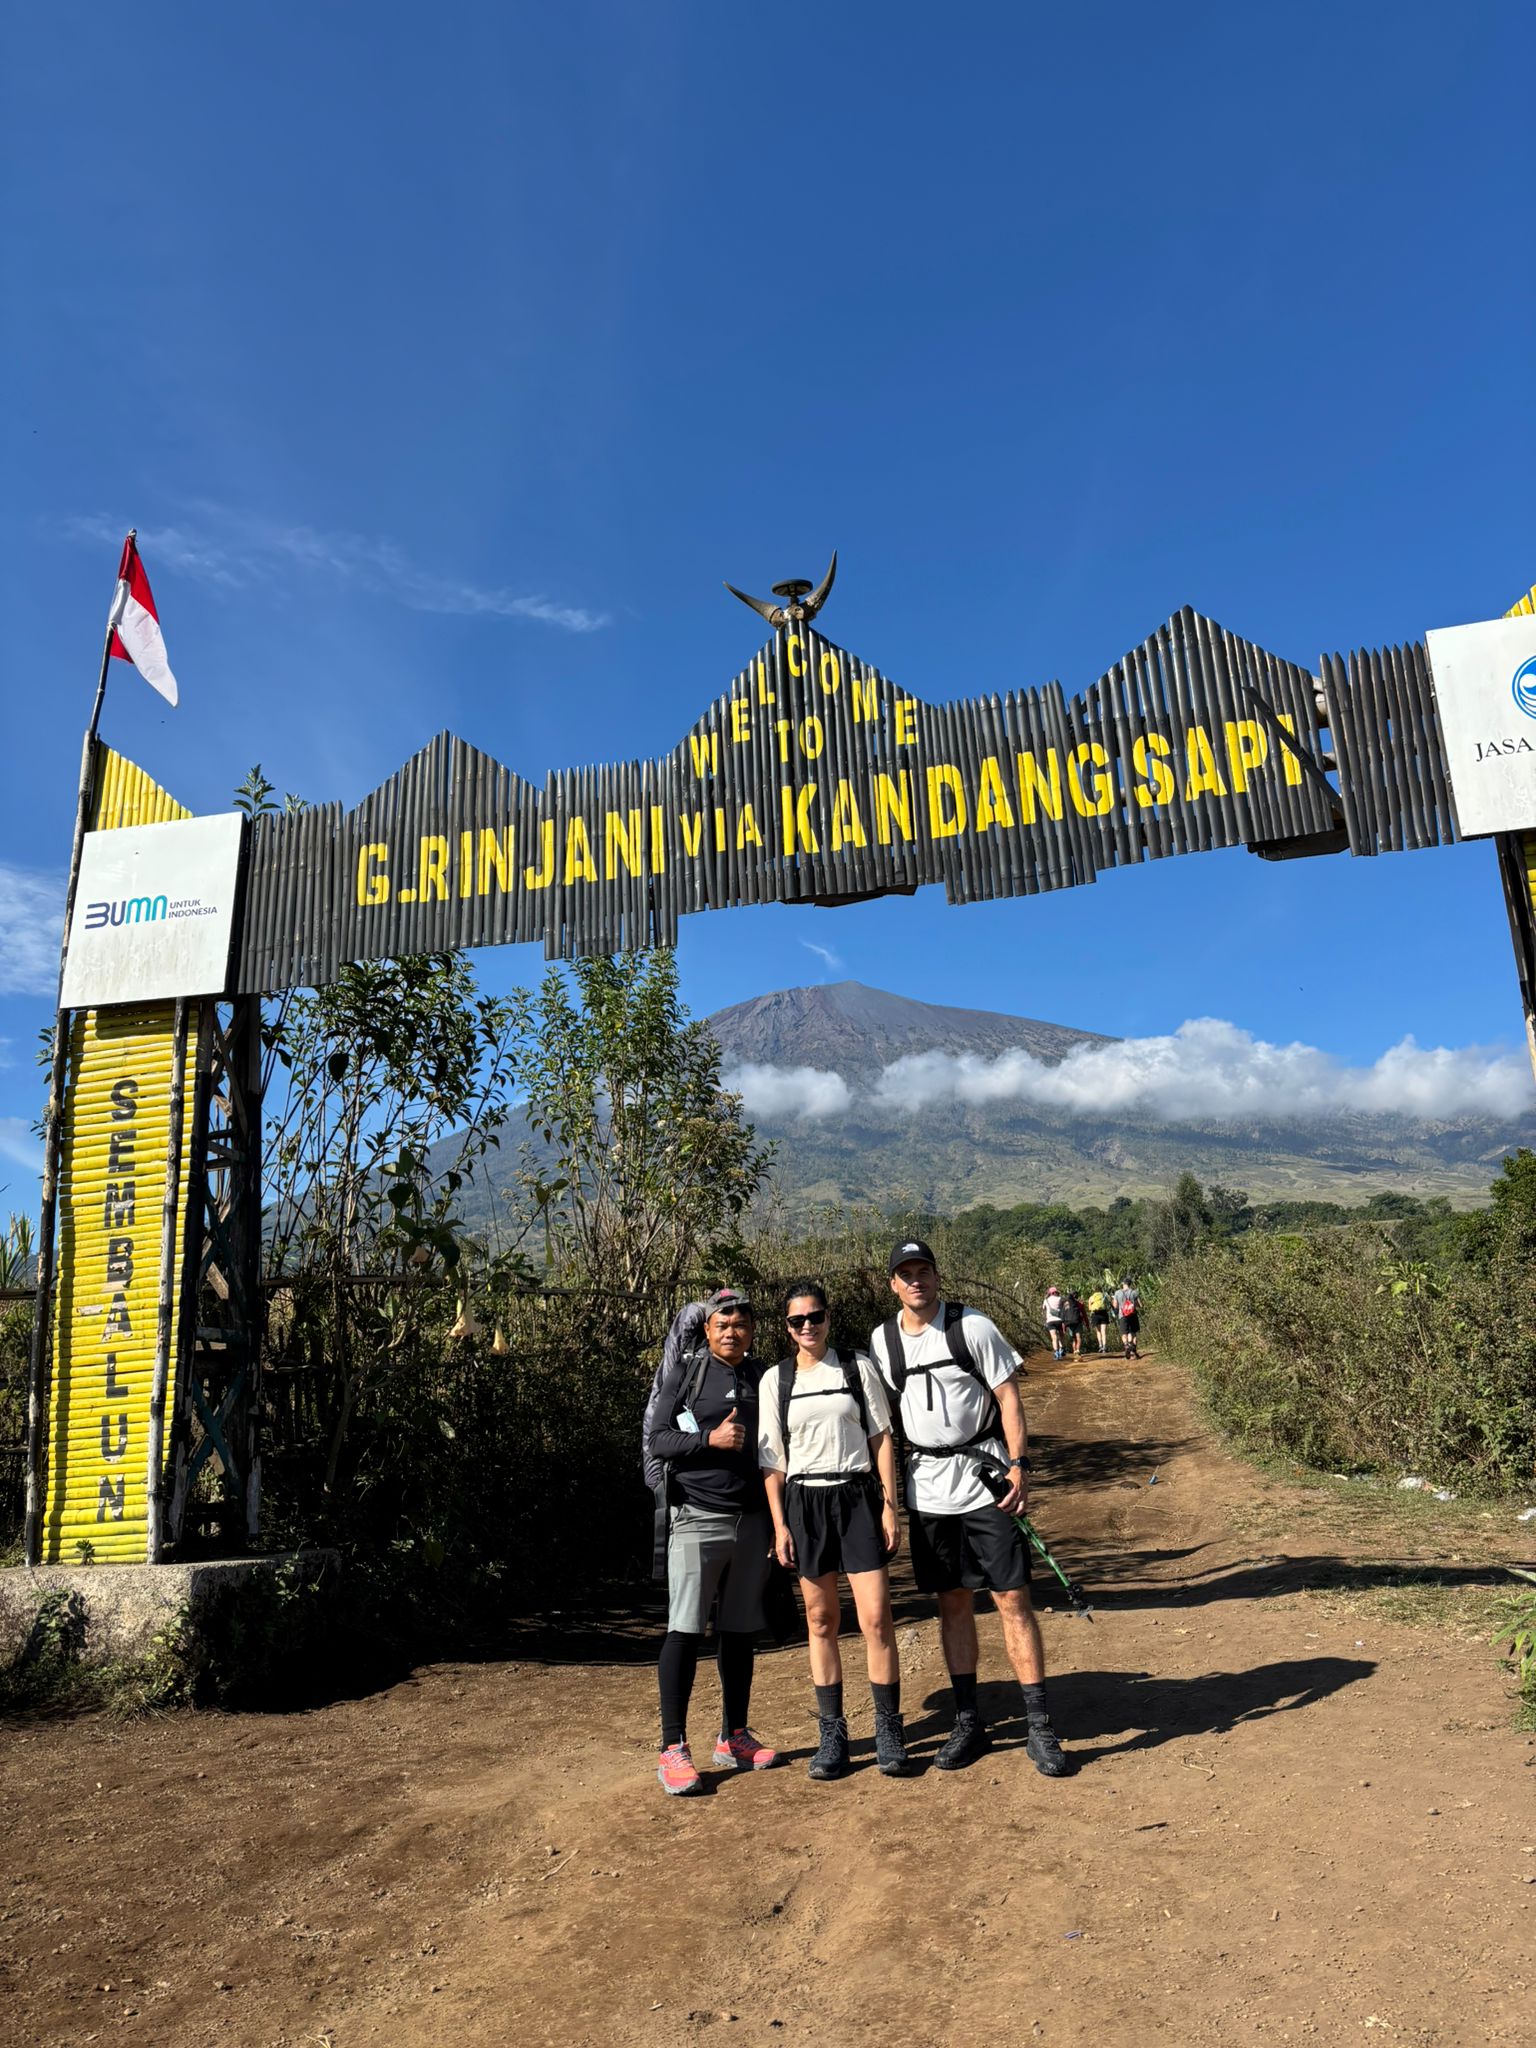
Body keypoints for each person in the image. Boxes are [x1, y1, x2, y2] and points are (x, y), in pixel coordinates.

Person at [873, 1240, 1070, 1777]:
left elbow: (1008, 1397)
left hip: (985, 1480)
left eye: (924, 1271)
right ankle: (968, 1722)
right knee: (953, 1602)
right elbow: (885, 1422)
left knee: (1011, 1598)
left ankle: (1039, 1726)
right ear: (892, 1283)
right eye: (905, 1274)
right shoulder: (883, 1341)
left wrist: (1020, 1466)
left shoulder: (973, 1327)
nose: (916, 1281)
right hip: (928, 1490)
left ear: (938, 1277)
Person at [759, 1280, 909, 1780]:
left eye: (815, 1317)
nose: (807, 1327)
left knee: (875, 1619)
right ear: (785, 1327)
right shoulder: (775, 1381)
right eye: (797, 1320)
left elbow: (882, 1438)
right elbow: (772, 1462)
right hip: (805, 1503)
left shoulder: (855, 1366)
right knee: (821, 1621)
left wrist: (891, 1505)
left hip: (857, 1496)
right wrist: (780, 1525)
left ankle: (889, 1730)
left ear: (828, 1318)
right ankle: (833, 1736)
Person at [643, 1287, 782, 1795]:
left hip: (751, 1521)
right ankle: (673, 1746)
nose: (732, 1331)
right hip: (697, 1517)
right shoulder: (686, 1374)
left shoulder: (762, 1377)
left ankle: (734, 1736)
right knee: (684, 1629)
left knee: (739, 1630)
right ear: (707, 1329)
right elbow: (658, 1439)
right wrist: (708, 1439)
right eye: (722, 1324)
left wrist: (775, 1520)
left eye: (740, 1323)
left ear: (751, 1329)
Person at [1113, 1278, 1142, 1359]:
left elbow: (1115, 1305)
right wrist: (1133, 1305)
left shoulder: (1117, 1293)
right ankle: (1133, 1349)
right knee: (1133, 1333)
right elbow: (1140, 1305)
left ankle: (1126, 1345)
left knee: (1124, 1333)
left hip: (1122, 1315)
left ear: (1123, 1283)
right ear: (1130, 1284)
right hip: (1133, 1315)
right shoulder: (1134, 1292)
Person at [1042, 1285, 1066, 1360]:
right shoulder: (1060, 1299)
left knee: (1054, 1337)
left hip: (1050, 1321)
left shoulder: (1046, 1300)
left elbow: (1043, 1308)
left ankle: (1056, 1353)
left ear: (1050, 1293)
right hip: (1060, 1320)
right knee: (1061, 1335)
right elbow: (1065, 1308)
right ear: (1056, 1292)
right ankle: (1062, 1349)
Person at [1087, 1286, 1111, 1354]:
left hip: (1095, 1315)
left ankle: (1100, 1346)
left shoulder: (1091, 1297)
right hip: (1103, 1314)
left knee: (1098, 1331)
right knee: (1104, 1331)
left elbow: (1089, 1308)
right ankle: (1104, 1346)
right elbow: (1108, 1305)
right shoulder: (1104, 1296)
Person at [1061, 1288, 1084, 1358]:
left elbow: (1063, 1315)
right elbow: (1083, 1314)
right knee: (1078, 1337)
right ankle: (1078, 1351)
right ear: (1075, 1296)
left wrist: (1064, 1327)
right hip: (1077, 1322)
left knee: (1074, 1339)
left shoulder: (1065, 1304)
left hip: (1069, 1323)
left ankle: (1075, 1353)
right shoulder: (1078, 1303)